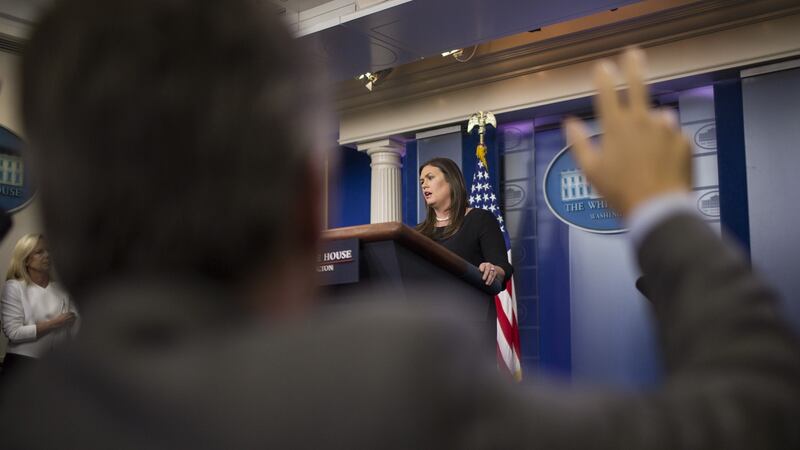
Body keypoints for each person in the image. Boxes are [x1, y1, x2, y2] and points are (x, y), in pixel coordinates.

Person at [1, 0, 797, 445]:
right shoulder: (390, 384)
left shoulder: (29, 411)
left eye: (425, 172)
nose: (422, 180)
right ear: (310, 195)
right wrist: (661, 206)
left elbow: (499, 270)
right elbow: (757, 415)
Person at [416, 157, 513, 329]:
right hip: (428, 323)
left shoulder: (480, 219)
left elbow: (502, 267)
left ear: (451, 180)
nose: (424, 185)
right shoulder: (417, 233)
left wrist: (492, 270)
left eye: (430, 178)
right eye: (421, 181)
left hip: (471, 321)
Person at [1, 234, 77, 379]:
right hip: (21, 367)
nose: (47, 255)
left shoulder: (61, 289)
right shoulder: (15, 287)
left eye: (48, 251)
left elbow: (73, 330)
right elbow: (14, 333)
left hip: (55, 367)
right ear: (26, 259)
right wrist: (54, 323)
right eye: (39, 252)